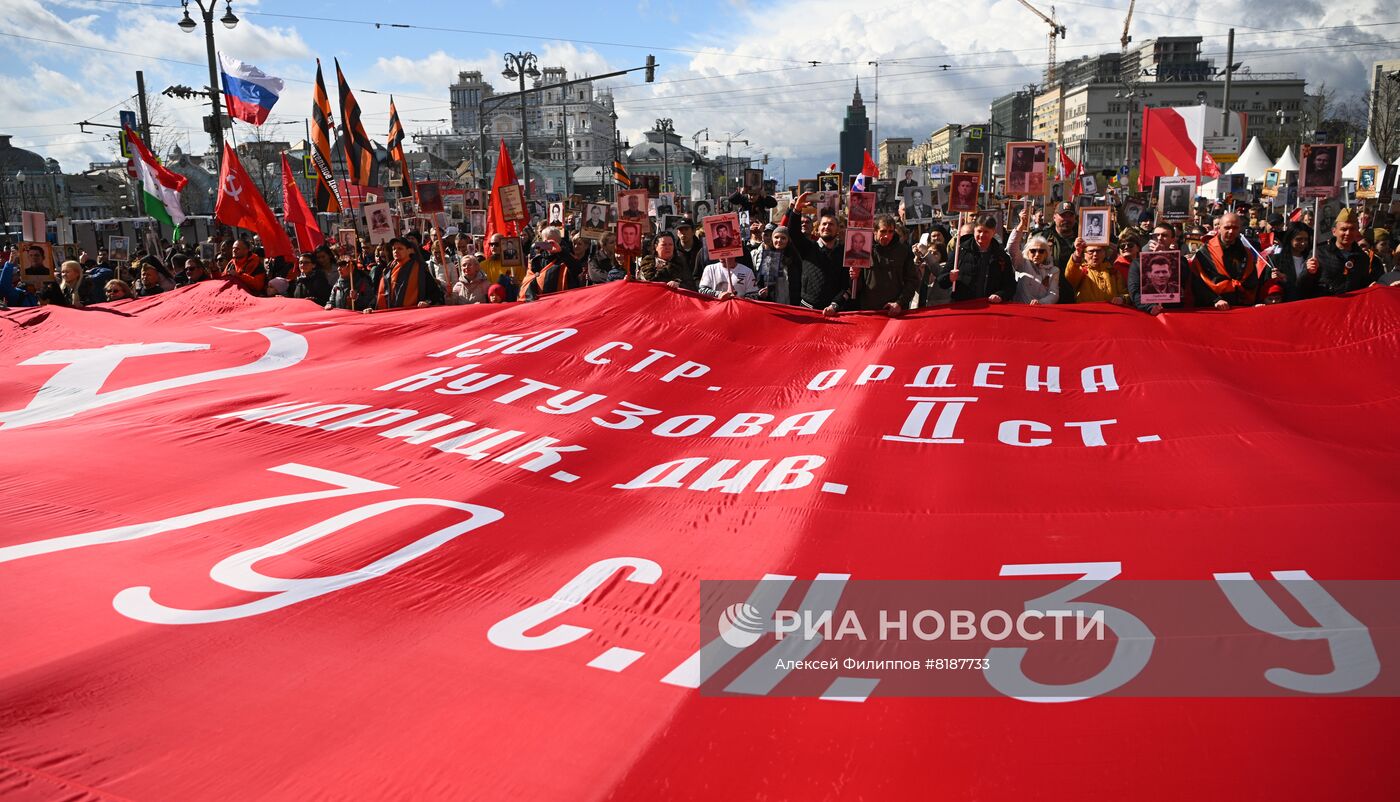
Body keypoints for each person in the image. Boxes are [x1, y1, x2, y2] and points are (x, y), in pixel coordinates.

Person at [784, 193, 848, 313]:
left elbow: (846, 285)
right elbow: (793, 232)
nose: (827, 227)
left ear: (838, 229)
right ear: (818, 229)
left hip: (833, 312)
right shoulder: (808, 247)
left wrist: (835, 305)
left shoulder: (844, 252)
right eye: (824, 224)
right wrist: (797, 209)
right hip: (808, 310)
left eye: (831, 224)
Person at [843, 215, 917, 315]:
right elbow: (855, 288)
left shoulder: (903, 251)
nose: (887, 236)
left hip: (895, 310)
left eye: (890, 231)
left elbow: (912, 280)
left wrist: (900, 302)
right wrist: (855, 276)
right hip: (869, 310)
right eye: (883, 231)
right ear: (874, 231)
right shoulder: (863, 249)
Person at [1189, 212, 1266, 308]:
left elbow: (1252, 281)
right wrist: (1215, 300)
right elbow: (1198, 282)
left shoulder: (1247, 253)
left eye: (1235, 228)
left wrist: (1256, 302)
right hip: (1214, 306)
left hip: (1241, 306)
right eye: (1227, 227)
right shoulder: (1205, 253)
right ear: (1219, 228)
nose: (1231, 231)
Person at [1298, 209, 1380, 298]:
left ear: (1357, 232)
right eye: (1344, 229)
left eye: (1352, 229)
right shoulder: (1319, 253)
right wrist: (1308, 272)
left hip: (1351, 308)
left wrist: (1372, 286)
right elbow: (1301, 286)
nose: (1348, 233)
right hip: (1325, 306)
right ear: (1334, 231)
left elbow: (1364, 285)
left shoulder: (1363, 257)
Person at [938, 215, 1016, 303]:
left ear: (993, 232)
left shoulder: (1001, 256)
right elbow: (941, 281)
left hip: (991, 307)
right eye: (979, 231)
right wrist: (949, 277)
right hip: (964, 306)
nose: (982, 235)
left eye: (986, 232)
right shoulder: (959, 252)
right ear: (974, 230)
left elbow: (1010, 285)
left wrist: (1000, 295)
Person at [370, 236, 444, 311]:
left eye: (400, 248)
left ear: (410, 251)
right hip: (391, 316)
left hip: (412, 316)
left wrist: (427, 302)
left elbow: (435, 294)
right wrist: (371, 307)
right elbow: (382, 293)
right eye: (394, 249)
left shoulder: (420, 270)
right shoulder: (387, 270)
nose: (396, 251)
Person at [1007, 206, 1060, 305]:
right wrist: (1021, 225)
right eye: (1033, 251)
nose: (1037, 254)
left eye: (1041, 251)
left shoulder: (1054, 271)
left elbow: (1054, 294)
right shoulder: (1022, 264)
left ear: (1046, 253)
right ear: (1027, 252)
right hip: (1020, 310)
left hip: (1041, 311)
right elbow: (1012, 248)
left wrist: (1040, 303)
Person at [1064, 239, 1127, 305]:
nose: (1095, 254)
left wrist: (1122, 298)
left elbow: (1125, 294)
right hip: (1088, 313)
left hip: (1111, 312)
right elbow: (1070, 274)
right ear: (1084, 254)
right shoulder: (1081, 270)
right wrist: (1077, 252)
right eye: (1091, 251)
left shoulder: (1114, 272)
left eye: (1098, 251)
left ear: (1104, 253)